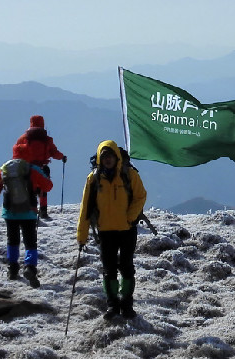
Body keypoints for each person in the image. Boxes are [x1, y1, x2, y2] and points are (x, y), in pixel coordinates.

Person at [75, 140, 152, 320]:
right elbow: (85, 209)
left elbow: (141, 196)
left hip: (127, 229)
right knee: (109, 269)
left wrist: (130, 217)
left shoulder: (129, 175)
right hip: (106, 231)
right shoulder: (93, 178)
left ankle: (126, 305)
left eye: (110, 156)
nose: (108, 160)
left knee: (126, 268)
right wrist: (82, 236)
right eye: (104, 157)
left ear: (116, 156)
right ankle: (112, 305)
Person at [0, 143, 54, 288]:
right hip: (29, 212)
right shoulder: (31, 169)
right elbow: (48, 186)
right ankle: (30, 267)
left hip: (10, 213)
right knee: (30, 242)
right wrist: (45, 174)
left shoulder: (4, 170)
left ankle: (13, 268)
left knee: (12, 240)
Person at [15, 116, 68, 220]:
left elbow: (17, 153)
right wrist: (62, 157)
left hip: (26, 168)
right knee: (43, 189)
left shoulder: (23, 138)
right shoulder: (47, 139)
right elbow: (54, 153)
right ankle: (43, 211)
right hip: (41, 168)